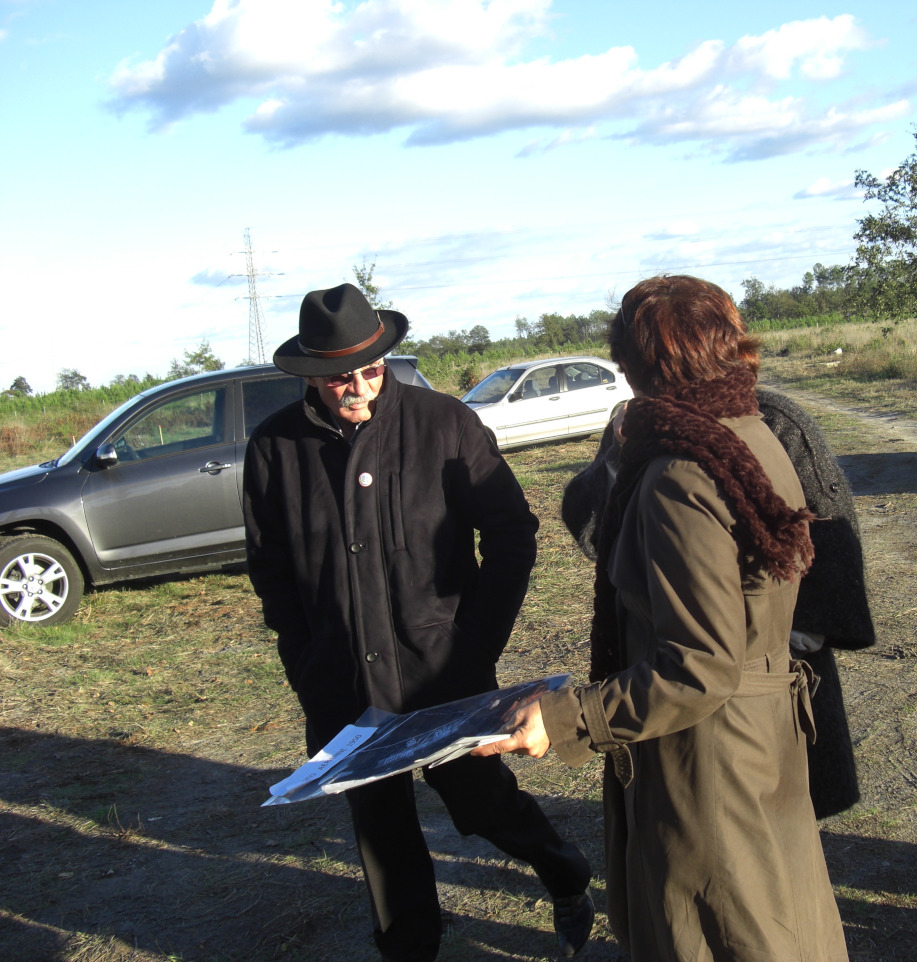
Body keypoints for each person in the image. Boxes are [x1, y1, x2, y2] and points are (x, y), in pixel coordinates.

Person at [475, 275, 849, 961]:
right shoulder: (747, 433)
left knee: (724, 929)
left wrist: (563, 717)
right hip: (761, 729)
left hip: (709, 754)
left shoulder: (683, 470)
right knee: (777, 915)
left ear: (633, 364)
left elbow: (698, 667)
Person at [242, 283, 593, 962]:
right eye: (337, 376)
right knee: (382, 834)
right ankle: (409, 948)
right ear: (311, 373)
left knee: (484, 806)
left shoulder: (443, 423)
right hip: (343, 686)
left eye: (369, 370)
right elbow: (272, 569)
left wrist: (475, 643)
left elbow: (512, 533)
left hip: (443, 674)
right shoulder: (273, 448)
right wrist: (305, 662)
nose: (355, 387)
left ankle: (564, 872)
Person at [560, 386, 877, 818]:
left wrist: (793, 632)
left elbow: (831, 534)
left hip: (769, 667)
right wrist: (620, 459)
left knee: (777, 813)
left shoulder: (773, 419)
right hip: (667, 666)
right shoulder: (636, 419)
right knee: (691, 814)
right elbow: (600, 529)